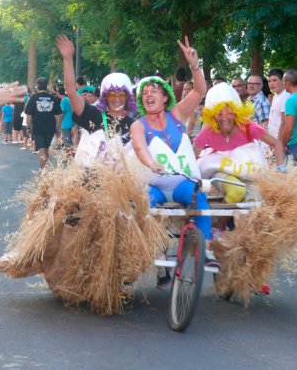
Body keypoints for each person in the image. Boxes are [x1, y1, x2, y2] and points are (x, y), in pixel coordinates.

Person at [129, 37, 217, 268]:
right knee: (141, 208)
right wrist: (150, 164)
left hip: (183, 184)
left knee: (202, 201)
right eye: (144, 92)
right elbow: (139, 147)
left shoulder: (177, 114)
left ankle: (204, 249)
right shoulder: (138, 125)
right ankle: (148, 250)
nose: (148, 95)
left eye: (154, 91)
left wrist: (194, 65)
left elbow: (200, 90)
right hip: (154, 186)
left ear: (165, 96)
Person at [193, 82, 286, 204]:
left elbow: (276, 143)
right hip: (221, 171)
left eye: (229, 112)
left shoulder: (247, 127)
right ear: (212, 115)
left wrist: (281, 169)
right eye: (219, 113)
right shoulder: (209, 131)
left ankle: (231, 223)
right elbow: (193, 157)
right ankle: (219, 222)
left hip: (247, 173)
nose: (224, 118)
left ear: (236, 112)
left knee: (256, 202)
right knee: (237, 191)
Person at [56, 35, 137, 164]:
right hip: (89, 181)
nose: (117, 99)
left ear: (128, 98)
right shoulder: (94, 116)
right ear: (105, 97)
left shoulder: (134, 125)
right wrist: (67, 59)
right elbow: (71, 92)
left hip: (119, 182)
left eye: (121, 94)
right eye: (112, 95)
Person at [24, 77, 63, 169]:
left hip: (38, 126)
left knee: (41, 149)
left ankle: (42, 171)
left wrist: (28, 127)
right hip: (50, 126)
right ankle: (46, 170)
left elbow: (28, 115)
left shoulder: (34, 98)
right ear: (47, 87)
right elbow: (60, 114)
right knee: (46, 149)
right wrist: (58, 125)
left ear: (37, 86)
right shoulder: (52, 97)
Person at [267, 67, 290, 143]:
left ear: (282, 81)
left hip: (280, 140)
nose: (271, 84)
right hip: (273, 138)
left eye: (274, 80)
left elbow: (284, 122)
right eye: (269, 81)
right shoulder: (275, 96)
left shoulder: (285, 95)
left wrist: (279, 142)